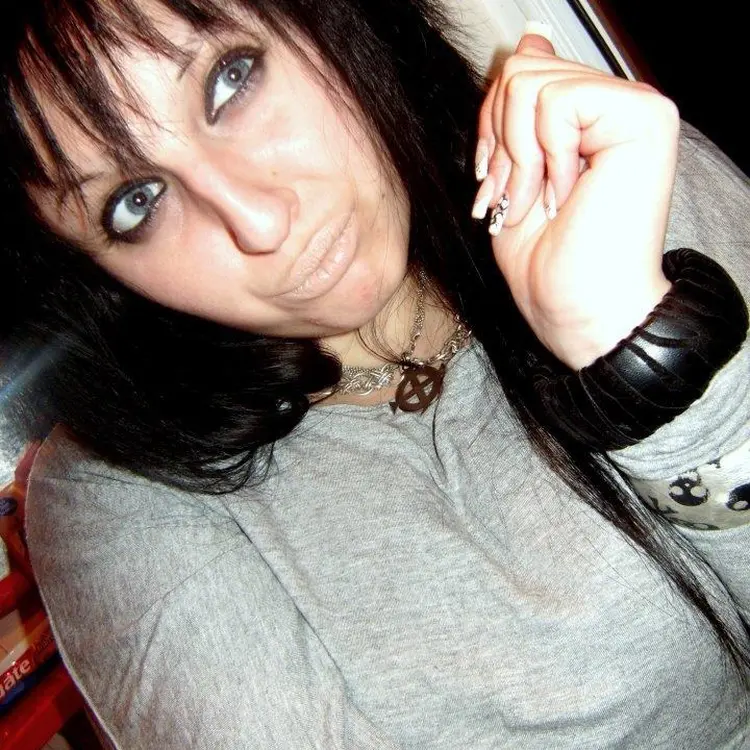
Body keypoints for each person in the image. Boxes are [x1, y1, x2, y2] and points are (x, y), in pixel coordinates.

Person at [1, 0, 749, 747]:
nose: (260, 221)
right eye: (135, 203)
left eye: (231, 79)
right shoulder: (113, 502)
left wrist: (639, 347)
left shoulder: (610, 189)